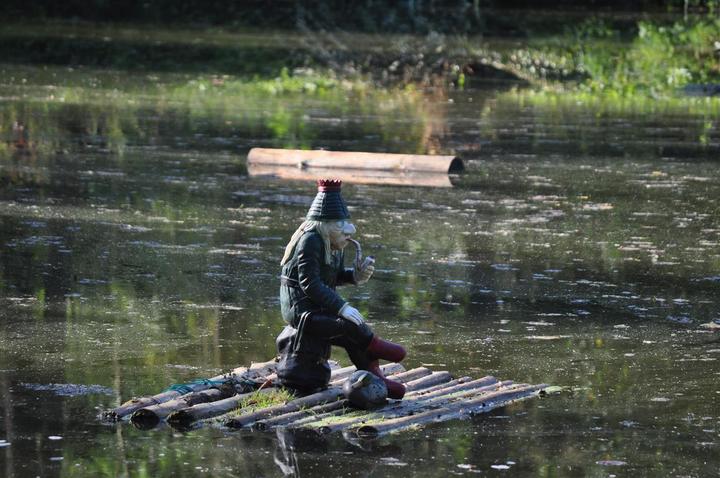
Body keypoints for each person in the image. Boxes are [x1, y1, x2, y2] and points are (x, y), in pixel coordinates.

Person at [275, 179, 406, 399]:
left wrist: (355, 277)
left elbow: (332, 277)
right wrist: (341, 307)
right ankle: (373, 345)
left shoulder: (334, 243)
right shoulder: (311, 240)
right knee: (348, 327)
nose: (348, 229)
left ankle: (376, 377)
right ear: (325, 223)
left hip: (317, 305)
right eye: (340, 223)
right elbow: (309, 283)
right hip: (301, 310)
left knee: (351, 331)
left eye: (346, 221)